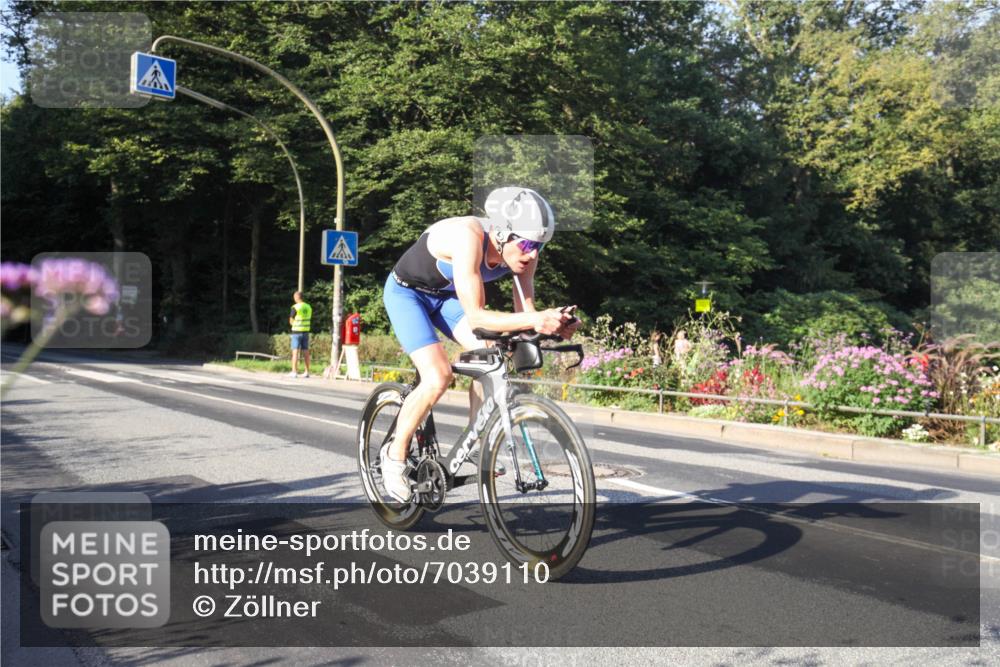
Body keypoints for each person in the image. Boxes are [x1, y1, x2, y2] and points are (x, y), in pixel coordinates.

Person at [380, 187, 579, 502]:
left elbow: (526, 316)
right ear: (501, 233)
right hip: (408, 294)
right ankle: (394, 455)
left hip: (445, 299)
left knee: (490, 355)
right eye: (527, 243)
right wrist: (536, 319)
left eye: (540, 246)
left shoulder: (525, 259)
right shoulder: (468, 236)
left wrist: (555, 327)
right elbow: (476, 317)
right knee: (438, 376)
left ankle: (475, 444)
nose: (532, 253)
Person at [288, 291, 312, 378]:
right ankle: (307, 372)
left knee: (295, 352)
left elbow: (291, 320)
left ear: (297, 297)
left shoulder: (295, 307)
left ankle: (294, 372)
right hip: (306, 331)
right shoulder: (308, 307)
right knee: (306, 352)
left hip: (296, 332)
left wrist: (294, 324)